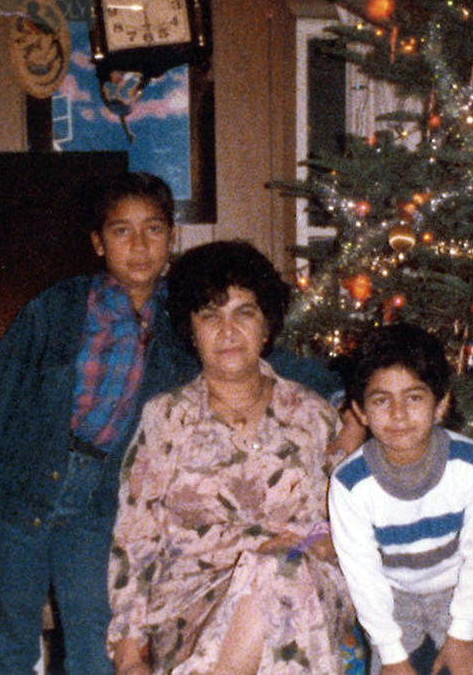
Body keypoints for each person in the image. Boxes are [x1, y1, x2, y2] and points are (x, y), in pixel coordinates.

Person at [0, 175, 345, 675]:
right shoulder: (58, 308)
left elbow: (257, 353)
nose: (138, 246)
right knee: (9, 648)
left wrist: (342, 400)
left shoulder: (181, 313)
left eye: (153, 230)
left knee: (94, 651)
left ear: (172, 237)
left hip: (98, 506)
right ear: (97, 242)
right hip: (21, 490)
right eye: (121, 231)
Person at [108, 240, 358, 675]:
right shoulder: (167, 417)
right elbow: (136, 534)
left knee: (281, 573)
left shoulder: (312, 414)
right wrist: (129, 654)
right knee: (278, 581)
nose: (228, 330)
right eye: (211, 315)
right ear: (192, 330)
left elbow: (351, 518)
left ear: (266, 325)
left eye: (244, 312)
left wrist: (314, 546)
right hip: (195, 605)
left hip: (307, 589)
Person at [328, 324, 473, 675]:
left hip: (458, 592)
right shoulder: (350, 483)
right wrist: (391, 654)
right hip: (392, 599)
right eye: (381, 400)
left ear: (441, 404)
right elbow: (364, 576)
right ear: (361, 411)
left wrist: (462, 632)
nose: (398, 413)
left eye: (414, 397)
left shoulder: (470, 463)